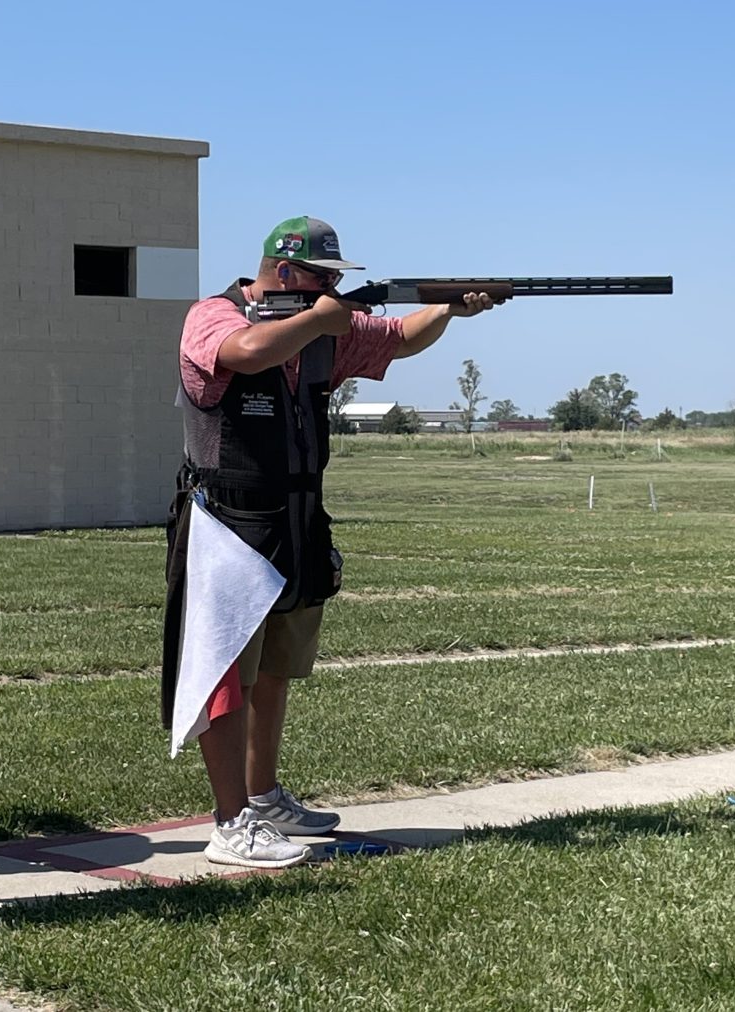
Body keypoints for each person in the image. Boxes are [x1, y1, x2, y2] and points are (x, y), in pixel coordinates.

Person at [168, 216, 497, 868]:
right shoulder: (213, 314)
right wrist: (321, 319)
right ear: (285, 274)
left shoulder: (322, 329)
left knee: (274, 670)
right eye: (321, 277)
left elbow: (399, 338)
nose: (330, 289)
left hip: (294, 518)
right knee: (227, 675)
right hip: (229, 524)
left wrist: (449, 310)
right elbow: (242, 353)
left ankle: (262, 797)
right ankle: (231, 822)